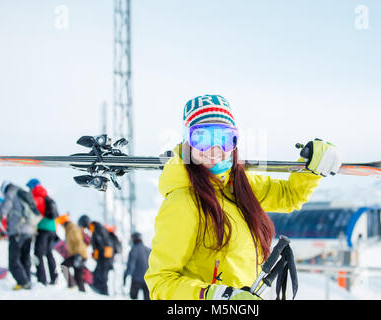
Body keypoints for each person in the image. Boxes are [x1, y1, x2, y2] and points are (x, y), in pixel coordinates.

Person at [144, 94, 342, 300]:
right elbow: (160, 282)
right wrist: (217, 296)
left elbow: (289, 195)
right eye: (201, 138)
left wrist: (312, 166)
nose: (214, 149)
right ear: (187, 142)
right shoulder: (182, 202)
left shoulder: (239, 187)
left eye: (224, 139)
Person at [0, 181, 41, 290]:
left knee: (13, 260)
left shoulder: (11, 192)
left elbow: (4, 209)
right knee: (25, 257)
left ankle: (23, 282)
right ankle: (27, 281)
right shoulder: (23, 192)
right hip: (29, 230)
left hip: (17, 231)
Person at [26, 178, 58, 285]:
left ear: (32, 187)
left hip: (43, 228)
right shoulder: (46, 195)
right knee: (49, 253)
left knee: (38, 253)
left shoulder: (36, 197)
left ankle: (42, 279)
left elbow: (35, 214)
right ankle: (54, 277)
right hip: (52, 228)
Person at [78, 214, 113, 296]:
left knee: (102, 277)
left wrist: (97, 253)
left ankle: (104, 294)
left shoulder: (97, 227)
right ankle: (101, 293)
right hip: (103, 257)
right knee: (97, 275)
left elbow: (102, 243)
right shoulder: (94, 228)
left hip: (105, 257)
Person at [60, 214, 88, 292]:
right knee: (78, 277)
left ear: (64, 223)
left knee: (64, 265)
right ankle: (82, 293)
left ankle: (71, 285)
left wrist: (78, 255)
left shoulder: (72, 228)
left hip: (79, 254)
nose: (61, 226)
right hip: (79, 254)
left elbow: (78, 241)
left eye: (61, 223)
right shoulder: (70, 229)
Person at [124, 232, 150, 300]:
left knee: (133, 297)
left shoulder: (134, 249)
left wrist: (126, 275)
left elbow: (131, 265)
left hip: (136, 280)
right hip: (147, 279)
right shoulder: (148, 249)